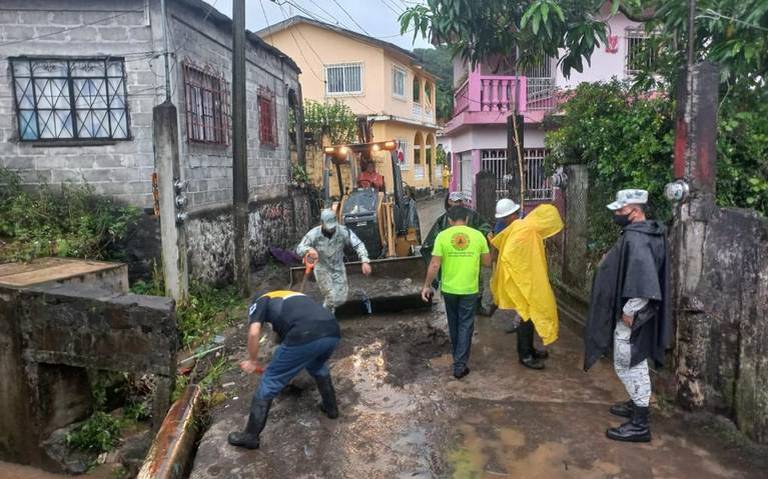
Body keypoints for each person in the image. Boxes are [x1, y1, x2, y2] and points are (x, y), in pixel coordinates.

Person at [584, 189, 670, 443]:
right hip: (635, 310)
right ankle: (636, 403)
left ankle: (640, 423)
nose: (616, 215)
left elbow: (643, 278)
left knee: (630, 361)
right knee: (631, 360)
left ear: (634, 211)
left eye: (620, 211)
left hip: (634, 313)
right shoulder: (644, 233)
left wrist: (631, 310)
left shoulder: (638, 239)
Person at [228, 290, 341, 449]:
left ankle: (250, 436)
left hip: (305, 333)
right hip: (332, 331)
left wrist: (253, 361)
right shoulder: (292, 295)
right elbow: (284, 332)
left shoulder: (260, 300)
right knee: (317, 365)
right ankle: (331, 409)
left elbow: (254, 333)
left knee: (270, 381)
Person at [490, 201, 563, 370]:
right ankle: (525, 356)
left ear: (509, 216)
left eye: (504, 218)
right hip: (523, 281)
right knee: (525, 316)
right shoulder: (522, 229)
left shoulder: (521, 228)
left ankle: (529, 349)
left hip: (525, 280)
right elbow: (511, 256)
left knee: (528, 317)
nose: (504, 221)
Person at [421, 206, 492, 379]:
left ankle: (457, 356)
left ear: (450, 221)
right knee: (466, 324)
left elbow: (435, 264)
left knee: (454, 323)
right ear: (467, 219)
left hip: (449, 289)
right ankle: (460, 364)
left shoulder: (442, 236)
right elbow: (487, 263)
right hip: (469, 289)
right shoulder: (478, 236)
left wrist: (427, 285)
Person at [296, 209, 372, 313]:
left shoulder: (344, 231)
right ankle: (325, 318)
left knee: (340, 299)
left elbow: (358, 244)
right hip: (322, 269)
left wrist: (365, 261)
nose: (332, 229)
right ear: (322, 223)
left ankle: (325, 312)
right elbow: (299, 248)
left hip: (338, 268)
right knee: (331, 296)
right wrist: (309, 249)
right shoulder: (314, 234)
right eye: (329, 226)